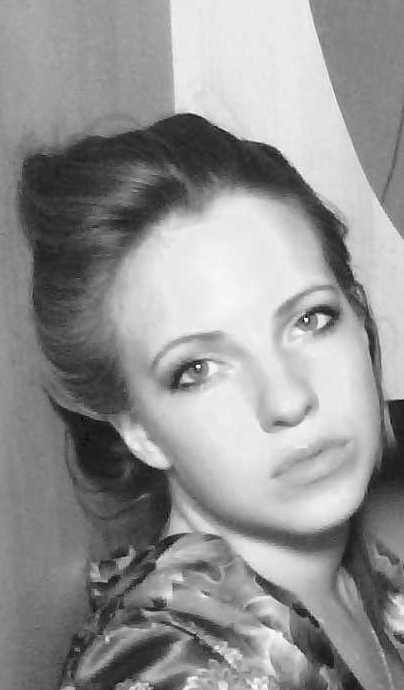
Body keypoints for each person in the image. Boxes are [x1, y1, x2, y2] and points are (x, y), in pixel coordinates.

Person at [19, 113, 404, 690]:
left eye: (310, 319)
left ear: (359, 316)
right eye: (197, 369)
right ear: (137, 428)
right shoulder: (172, 669)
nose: (288, 399)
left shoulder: (369, 570)